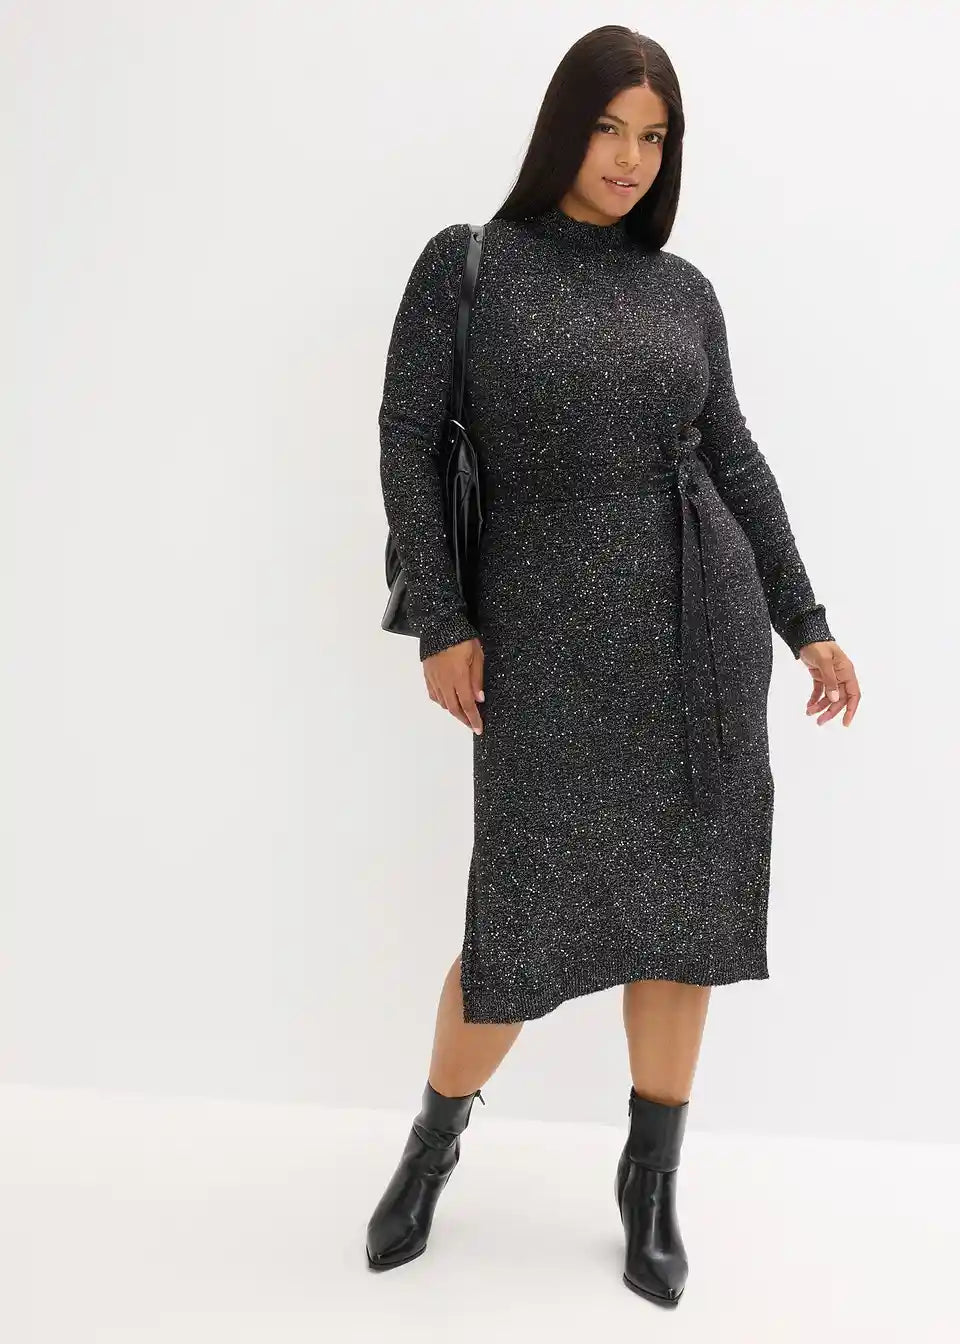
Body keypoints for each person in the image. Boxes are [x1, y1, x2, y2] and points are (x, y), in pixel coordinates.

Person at [367, 24, 860, 1305]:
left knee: (683, 924)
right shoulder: (470, 265)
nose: (631, 159)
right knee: (516, 923)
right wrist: (444, 621)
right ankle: (433, 1140)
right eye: (608, 129)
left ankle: (651, 1182)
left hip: (699, 639)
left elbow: (735, 457)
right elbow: (409, 438)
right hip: (543, 641)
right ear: (563, 128)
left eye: (655, 137)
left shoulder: (682, 289)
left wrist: (804, 620)